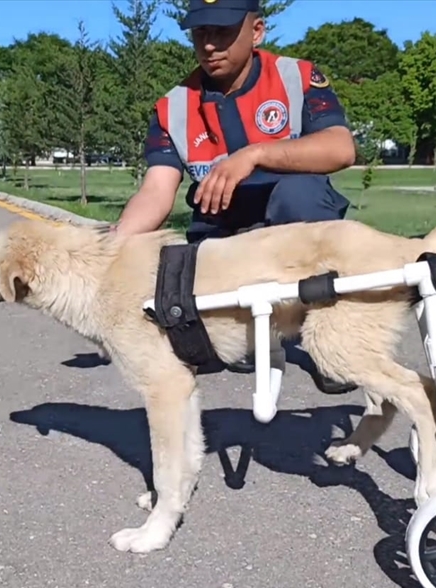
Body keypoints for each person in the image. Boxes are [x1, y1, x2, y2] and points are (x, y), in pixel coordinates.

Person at [110, 0, 359, 394]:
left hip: (293, 226)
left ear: (256, 31)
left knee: (299, 193)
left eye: (223, 32)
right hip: (222, 238)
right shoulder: (172, 107)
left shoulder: (298, 77)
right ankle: (242, 331)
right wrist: (113, 246)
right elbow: (156, 190)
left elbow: (341, 148)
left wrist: (255, 154)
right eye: (200, 33)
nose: (209, 45)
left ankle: (327, 338)